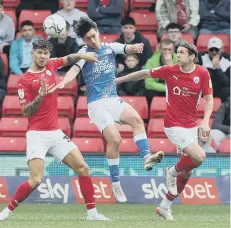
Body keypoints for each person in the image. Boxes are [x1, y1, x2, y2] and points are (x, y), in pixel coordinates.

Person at [51, 17, 164, 203]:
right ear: (83, 40)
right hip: (96, 105)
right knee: (116, 139)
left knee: (137, 119)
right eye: (88, 38)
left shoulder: (110, 47)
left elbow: (125, 48)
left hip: (113, 99)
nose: (93, 41)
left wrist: (134, 48)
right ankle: (116, 183)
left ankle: (146, 157)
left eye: (94, 36)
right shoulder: (83, 52)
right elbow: (74, 69)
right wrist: (64, 80)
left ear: (97, 31)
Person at [0, 40, 110, 221]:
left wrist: (84, 56)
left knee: (83, 168)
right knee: (36, 180)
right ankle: (7, 211)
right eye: (39, 53)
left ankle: (93, 214)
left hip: (55, 133)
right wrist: (40, 96)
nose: (43, 56)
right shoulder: (25, 80)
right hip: (36, 134)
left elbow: (68, 58)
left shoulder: (51, 64)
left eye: (46, 53)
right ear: (32, 53)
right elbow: (25, 111)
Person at [115, 41, 214, 220]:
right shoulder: (170, 70)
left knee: (188, 171)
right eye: (178, 52)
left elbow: (209, 99)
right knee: (199, 157)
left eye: (182, 52)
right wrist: (120, 79)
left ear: (192, 56)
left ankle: (164, 206)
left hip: (191, 126)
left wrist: (205, 122)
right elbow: (144, 73)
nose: (178, 55)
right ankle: (172, 171)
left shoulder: (202, 73)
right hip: (173, 125)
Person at [201, 37, 230, 102]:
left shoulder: (227, 62)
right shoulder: (201, 59)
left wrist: (218, 68)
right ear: (208, 50)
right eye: (211, 49)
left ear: (222, 49)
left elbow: (226, 83)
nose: (214, 52)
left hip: (220, 90)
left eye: (216, 49)